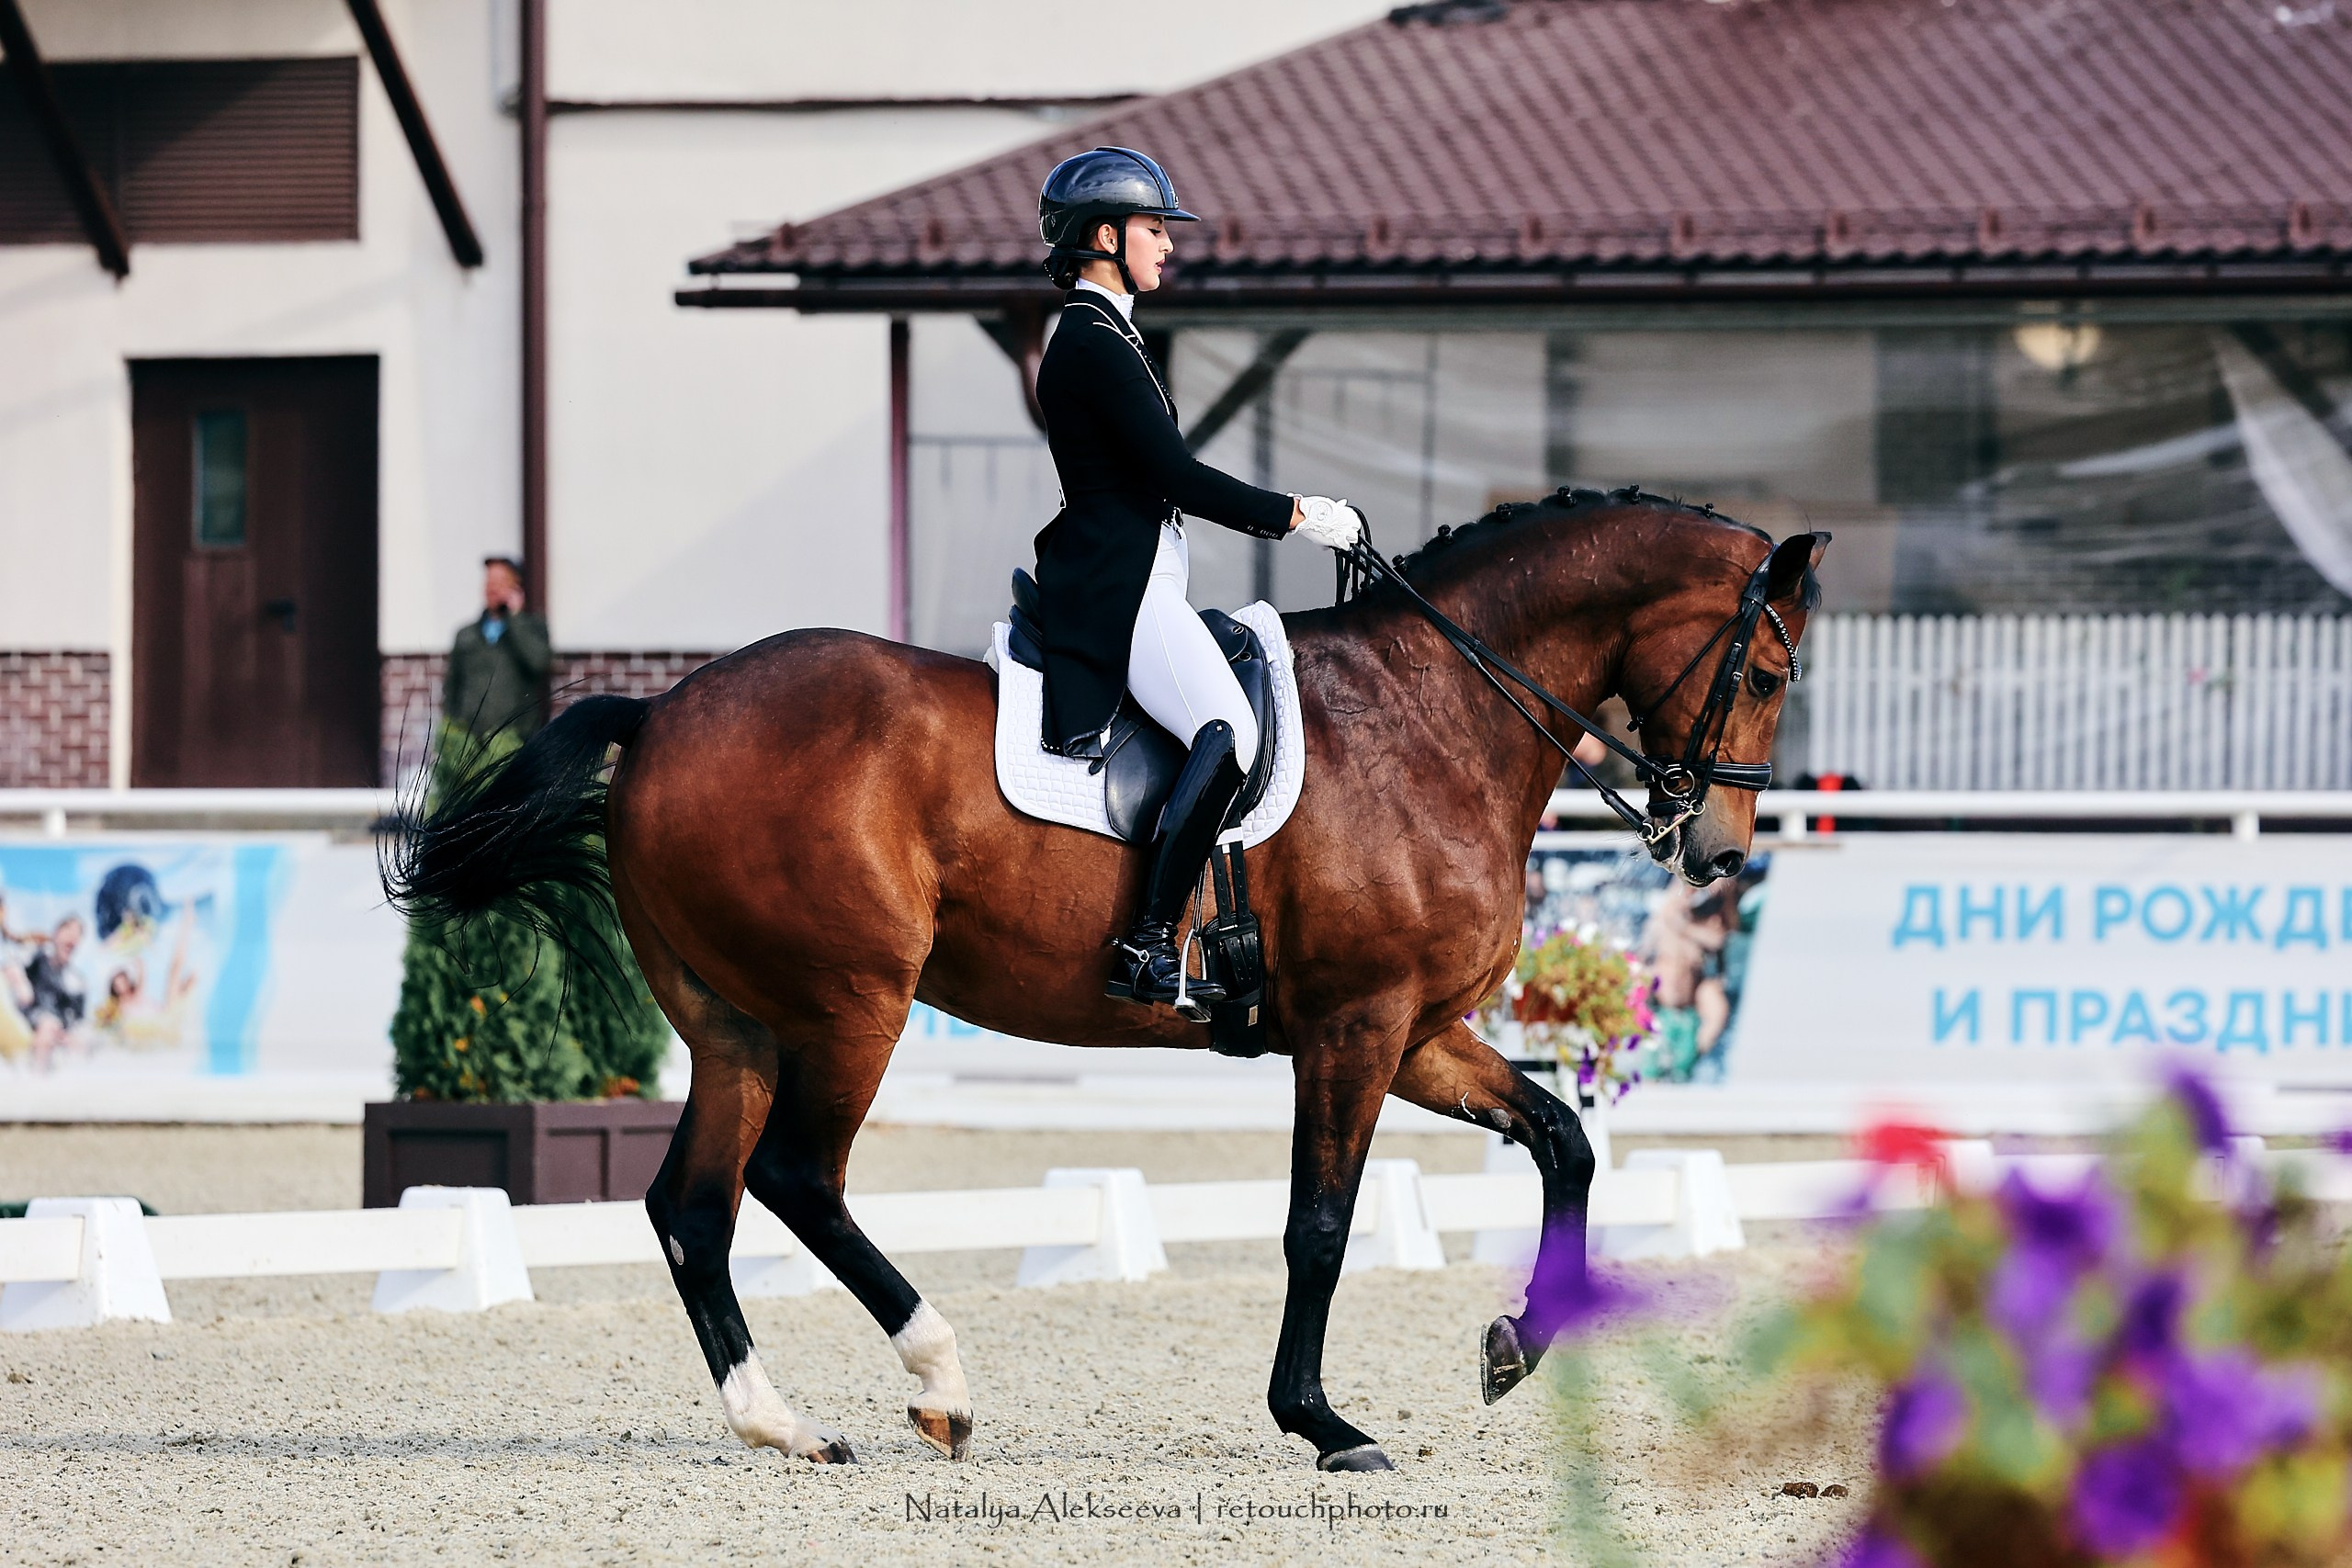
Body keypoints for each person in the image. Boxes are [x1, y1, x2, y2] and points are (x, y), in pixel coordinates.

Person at [1031, 146, 1363, 1010]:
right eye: (1153, 229)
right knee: (1229, 730)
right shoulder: (1091, 339)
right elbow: (1176, 476)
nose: (1168, 245)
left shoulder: (1110, 334)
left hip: (1145, 578)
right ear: (1104, 236)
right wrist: (1298, 514)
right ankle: (1147, 943)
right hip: (1123, 587)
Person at [443, 556, 552, 744]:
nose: (492, 587)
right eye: (489, 581)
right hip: (471, 741)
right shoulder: (466, 634)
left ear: (516, 587)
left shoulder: (533, 628)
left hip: (517, 739)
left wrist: (515, 620)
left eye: (500, 581)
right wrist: (451, 731)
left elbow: (539, 663)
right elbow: (452, 688)